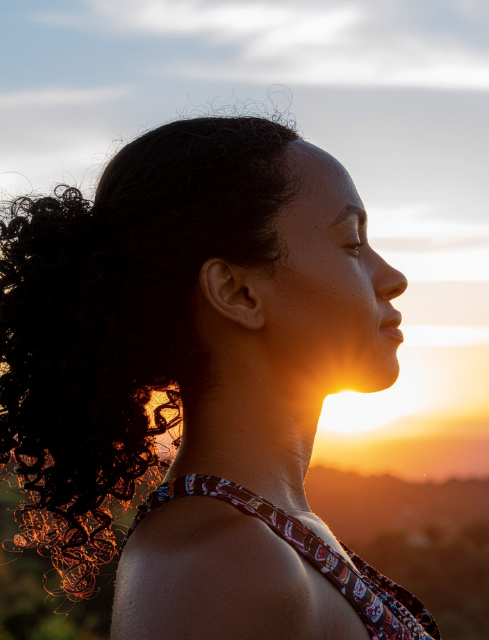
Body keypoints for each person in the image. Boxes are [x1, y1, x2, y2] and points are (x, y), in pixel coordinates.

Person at [0, 116, 440, 639]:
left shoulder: (259, 533)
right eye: (351, 243)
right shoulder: (217, 565)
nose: (394, 277)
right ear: (236, 292)